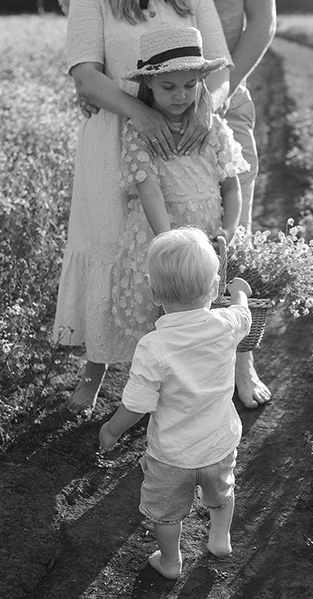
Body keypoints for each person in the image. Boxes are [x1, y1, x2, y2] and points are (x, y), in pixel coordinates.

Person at [50, 0, 232, 413]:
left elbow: (221, 70)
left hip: (186, 144)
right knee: (113, 245)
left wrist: (202, 107)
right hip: (115, 137)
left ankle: (173, 378)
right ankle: (95, 371)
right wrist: (140, 111)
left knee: (179, 250)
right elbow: (86, 76)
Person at [136, 0, 279, 410]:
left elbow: (262, 21)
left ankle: (241, 364)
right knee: (165, 243)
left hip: (225, 101)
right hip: (152, 110)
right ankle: (173, 366)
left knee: (231, 237)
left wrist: (213, 101)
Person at [98, 227, 252, 579]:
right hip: (218, 443)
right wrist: (239, 293)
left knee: (166, 513)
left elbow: (136, 406)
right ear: (213, 289)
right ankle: (219, 538)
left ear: (154, 293)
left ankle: (171, 562)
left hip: (171, 454)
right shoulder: (227, 324)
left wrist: (111, 430)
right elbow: (243, 314)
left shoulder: (154, 347)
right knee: (222, 491)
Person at [113, 23, 249, 341]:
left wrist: (226, 233)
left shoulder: (214, 129)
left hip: (207, 237)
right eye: (168, 87)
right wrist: (171, 245)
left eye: (190, 85)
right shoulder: (139, 131)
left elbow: (231, 187)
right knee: (162, 326)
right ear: (149, 83)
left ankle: (202, 386)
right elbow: (150, 191)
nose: (181, 95)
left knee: (204, 324)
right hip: (161, 237)